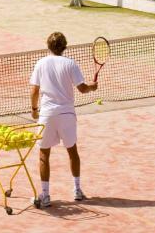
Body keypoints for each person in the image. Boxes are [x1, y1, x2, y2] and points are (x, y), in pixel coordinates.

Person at [29, 32, 98, 208]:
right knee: (72, 151)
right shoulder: (70, 64)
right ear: (65, 47)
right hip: (67, 114)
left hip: (47, 114)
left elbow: (34, 91)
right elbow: (82, 89)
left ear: (48, 46)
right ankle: (77, 190)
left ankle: (45, 195)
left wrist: (34, 110)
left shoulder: (41, 63)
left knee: (44, 153)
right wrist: (92, 87)